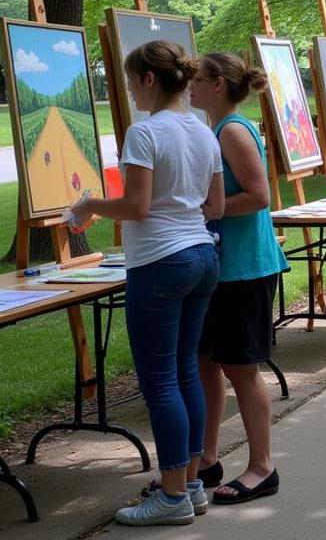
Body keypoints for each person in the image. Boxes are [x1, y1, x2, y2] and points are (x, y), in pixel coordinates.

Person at [69, 41, 223, 526]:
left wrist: (90, 204)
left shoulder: (144, 132)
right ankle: (192, 484)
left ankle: (173, 496)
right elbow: (213, 205)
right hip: (201, 255)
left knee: (160, 381)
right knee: (183, 373)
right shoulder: (203, 131)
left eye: (132, 80)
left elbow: (136, 207)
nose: (131, 90)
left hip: (160, 263)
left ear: (149, 80)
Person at [189, 52, 288, 506]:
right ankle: (207, 459)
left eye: (199, 78)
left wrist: (207, 209)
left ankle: (262, 467)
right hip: (222, 267)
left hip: (245, 269)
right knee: (207, 362)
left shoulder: (231, 129)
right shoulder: (217, 128)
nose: (191, 85)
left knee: (242, 370)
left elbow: (260, 195)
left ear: (220, 84)